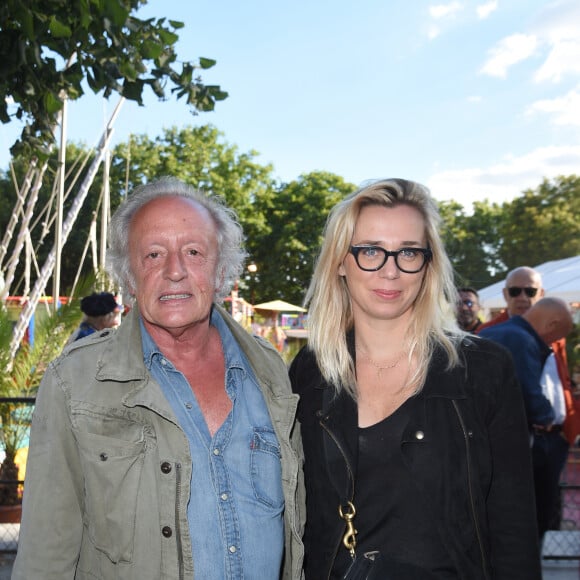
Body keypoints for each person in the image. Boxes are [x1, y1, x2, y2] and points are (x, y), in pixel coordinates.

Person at [13, 177, 305, 580]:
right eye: (152, 254)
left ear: (221, 273)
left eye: (193, 252)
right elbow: (45, 558)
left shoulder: (271, 370)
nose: (174, 271)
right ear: (129, 278)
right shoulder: (74, 382)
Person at [289, 178, 541, 579]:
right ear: (340, 261)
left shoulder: (484, 371)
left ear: (427, 264)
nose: (390, 270)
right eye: (370, 250)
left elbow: (514, 527)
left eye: (408, 252)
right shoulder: (310, 372)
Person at [480, 297, 574, 541]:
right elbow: (528, 393)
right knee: (527, 523)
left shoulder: (499, 332)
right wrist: (547, 416)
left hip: (494, 441)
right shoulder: (519, 340)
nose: (552, 344)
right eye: (555, 338)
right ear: (552, 324)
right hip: (518, 444)